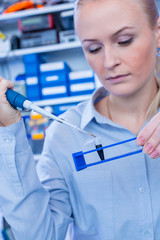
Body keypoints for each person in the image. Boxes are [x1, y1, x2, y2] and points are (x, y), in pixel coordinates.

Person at [0, 0, 160, 239]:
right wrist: (9, 129)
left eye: (124, 41)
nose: (109, 62)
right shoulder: (64, 136)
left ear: (157, 33)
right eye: (93, 48)